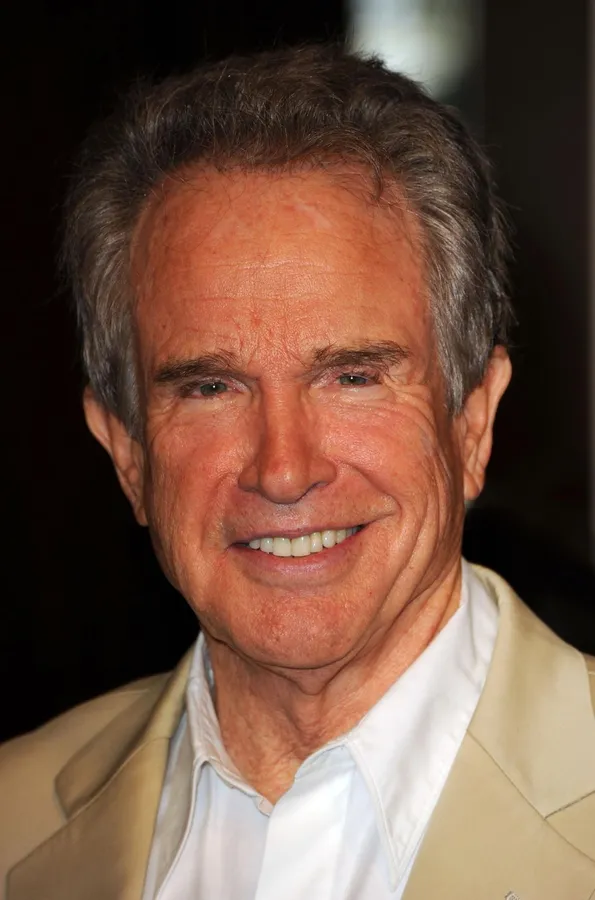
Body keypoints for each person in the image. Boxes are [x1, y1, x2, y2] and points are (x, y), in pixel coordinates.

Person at [2, 43, 595, 900]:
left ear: (472, 421)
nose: (282, 470)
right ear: (127, 453)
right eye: (210, 388)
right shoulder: (14, 817)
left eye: (351, 376)